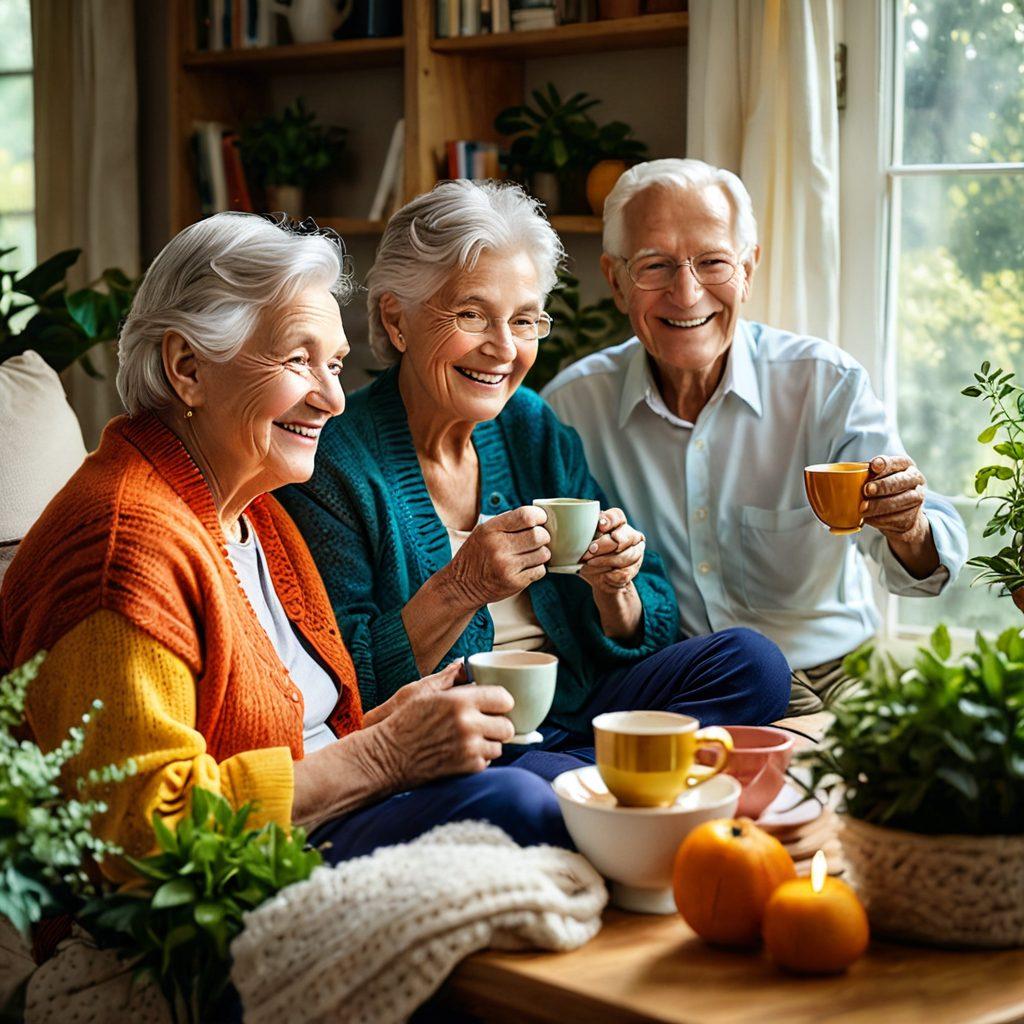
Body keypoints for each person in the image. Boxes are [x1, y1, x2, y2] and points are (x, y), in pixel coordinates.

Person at [0, 213, 572, 880]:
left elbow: (302, 732)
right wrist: (386, 753)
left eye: (334, 364)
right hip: (228, 889)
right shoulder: (123, 550)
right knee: (524, 806)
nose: (332, 399)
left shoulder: (251, 511)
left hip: (318, 828)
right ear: (187, 368)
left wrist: (394, 720)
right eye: (298, 360)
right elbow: (141, 832)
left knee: (563, 788)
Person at [279, 180, 790, 778]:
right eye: (472, 314)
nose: (502, 349)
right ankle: (602, 778)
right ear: (397, 321)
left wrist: (615, 587)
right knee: (526, 791)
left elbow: (651, 615)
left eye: (524, 320)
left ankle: (579, 776)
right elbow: (343, 685)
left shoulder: (528, 423)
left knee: (754, 665)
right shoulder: (335, 461)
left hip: (578, 707)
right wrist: (460, 588)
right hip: (462, 737)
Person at [542, 159, 968, 715]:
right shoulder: (570, 409)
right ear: (618, 282)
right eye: (655, 266)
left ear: (748, 269)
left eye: (713, 261)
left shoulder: (824, 384)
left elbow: (921, 572)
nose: (687, 292)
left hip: (837, 677)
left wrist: (907, 526)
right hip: (690, 688)